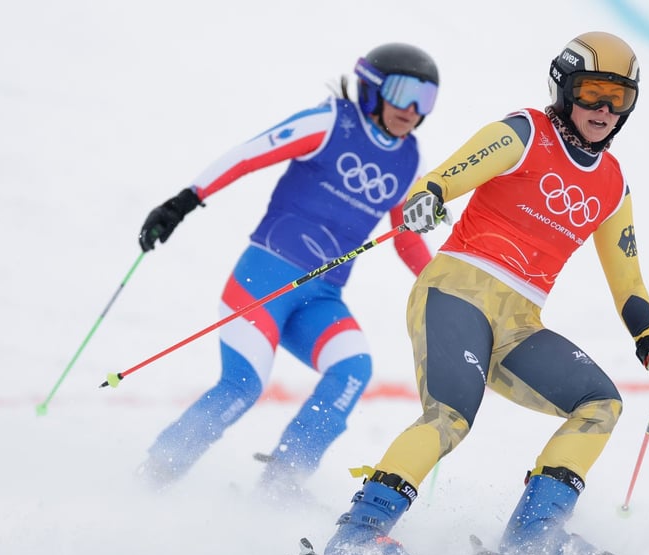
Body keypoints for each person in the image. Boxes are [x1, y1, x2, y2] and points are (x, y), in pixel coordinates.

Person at [298, 31, 649, 555]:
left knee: (601, 403)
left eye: (618, 98)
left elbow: (629, 280)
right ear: (564, 88)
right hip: (456, 291)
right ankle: (355, 541)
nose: (603, 109)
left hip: (519, 323)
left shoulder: (612, 184)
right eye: (592, 92)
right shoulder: (524, 133)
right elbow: (444, 177)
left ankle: (530, 543)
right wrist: (427, 197)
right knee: (450, 417)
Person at [134, 42, 440, 504]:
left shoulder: (409, 159)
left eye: (427, 99)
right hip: (264, 280)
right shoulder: (331, 123)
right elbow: (248, 155)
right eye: (403, 92)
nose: (413, 109)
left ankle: (283, 480)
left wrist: (442, 283)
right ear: (373, 88)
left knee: (352, 369)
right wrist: (184, 201)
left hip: (322, 297)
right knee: (242, 385)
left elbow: (406, 236)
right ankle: (154, 475)